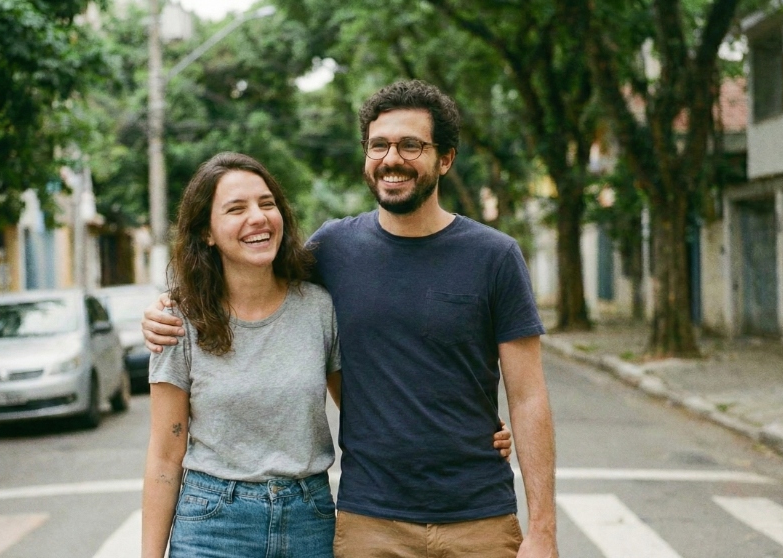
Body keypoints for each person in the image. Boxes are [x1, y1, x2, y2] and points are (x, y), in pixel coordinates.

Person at [145, 80, 557, 557]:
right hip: (369, 520)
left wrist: (543, 529)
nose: (391, 159)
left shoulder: (495, 256)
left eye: (411, 145)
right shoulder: (333, 250)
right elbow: (253, 274)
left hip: (479, 514)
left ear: (445, 159)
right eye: (378, 145)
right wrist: (165, 307)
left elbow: (528, 396)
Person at [141, 152, 341, 557]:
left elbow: (364, 417)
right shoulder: (179, 321)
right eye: (236, 209)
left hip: (309, 521)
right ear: (207, 232)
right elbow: (164, 456)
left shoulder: (319, 308)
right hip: (213, 526)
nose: (258, 218)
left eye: (267, 204)